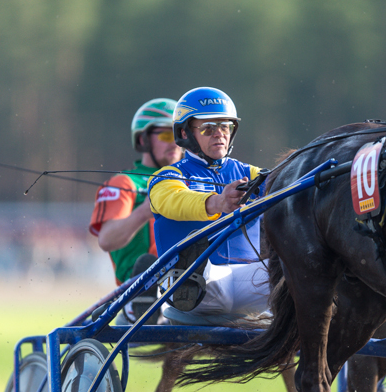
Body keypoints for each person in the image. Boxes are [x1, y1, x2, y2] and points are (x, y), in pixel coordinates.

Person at [147, 87, 268, 323]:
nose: (219, 134)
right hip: (198, 286)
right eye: (208, 128)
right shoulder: (165, 177)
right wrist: (218, 202)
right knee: (201, 270)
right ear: (184, 132)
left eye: (225, 127)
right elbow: (175, 201)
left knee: (298, 267)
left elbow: (286, 190)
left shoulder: (251, 173)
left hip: (247, 282)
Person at [89, 98, 183, 320]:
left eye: (179, 136)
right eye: (166, 135)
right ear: (143, 139)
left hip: (186, 278)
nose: (175, 144)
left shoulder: (192, 181)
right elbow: (107, 240)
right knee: (150, 266)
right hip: (140, 284)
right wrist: (143, 211)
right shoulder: (126, 183)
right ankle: (140, 303)